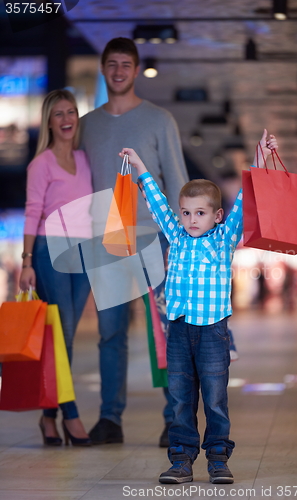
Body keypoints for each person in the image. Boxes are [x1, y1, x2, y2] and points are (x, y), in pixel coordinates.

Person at [119, 129, 278, 484]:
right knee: (180, 397)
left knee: (216, 397)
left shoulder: (224, 239)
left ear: (217, 216)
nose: (192, 219)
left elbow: (244, 200)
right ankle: (181, 459)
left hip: (212, 332)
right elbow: (156, 200)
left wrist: (260, 159)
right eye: (187, 212)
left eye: (201, 213)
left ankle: (218, 457)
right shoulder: (175, 234)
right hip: (178, 328)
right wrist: (141, 166)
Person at [79, 37, 189, 446]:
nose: (119, 71)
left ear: (136, 69)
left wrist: (183, 238)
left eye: (127, 64)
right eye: (112, 64)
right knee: (110, 333)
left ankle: (174, 418)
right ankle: (110, 419)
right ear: (104, 69)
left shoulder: (160, 119)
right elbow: (80, 184)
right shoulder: (88, 124)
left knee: (166, 329)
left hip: (155, 237)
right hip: (106, 241)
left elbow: (176, 178)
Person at [19, 89, 92, 447]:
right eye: (59, 114)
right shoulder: (41, 164)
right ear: (49, 121)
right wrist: (26, 261)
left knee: (64, 336)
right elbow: (32, 212)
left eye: (71, 112)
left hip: (85, 251)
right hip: (50, 251)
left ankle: (48, 418)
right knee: (61, 334)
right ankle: (71, 415)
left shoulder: (84, 158)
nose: (66, 119)